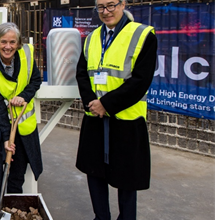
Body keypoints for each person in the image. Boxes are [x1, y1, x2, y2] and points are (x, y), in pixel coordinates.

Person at [75, 0, 157, 219]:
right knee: (94, 172)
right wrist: (92, 103)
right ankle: (101, 216)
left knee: (126, 177)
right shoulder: (91, 38)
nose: (106, 12)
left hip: (126, 118)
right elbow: (82, 73)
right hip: (94, 116)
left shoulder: (143, 35)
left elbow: (140, 80)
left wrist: (106, 105)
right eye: (100, 7)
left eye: (111, 5)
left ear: (124, 4)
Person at [0, 22, 43, 213]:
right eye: (4, 42)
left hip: (22, 117)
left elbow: (35, 80)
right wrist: (6, 138)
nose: (8, 46)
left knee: (20, 157)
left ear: (18, 43)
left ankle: (14, 195)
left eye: (12, 42)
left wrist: (24, 96)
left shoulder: (27, 55)